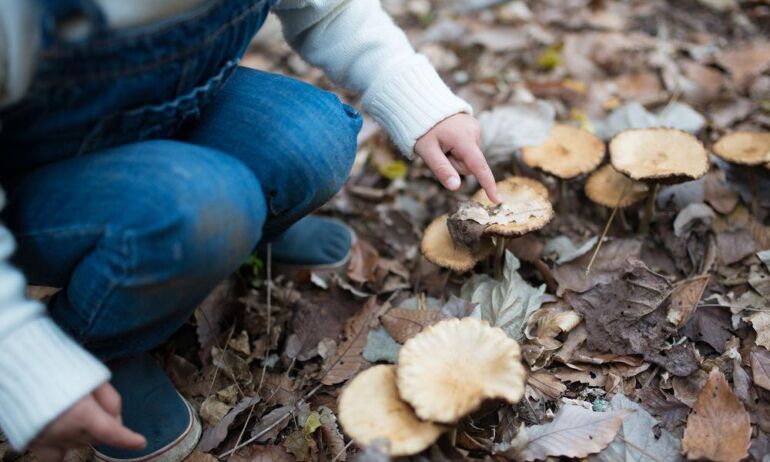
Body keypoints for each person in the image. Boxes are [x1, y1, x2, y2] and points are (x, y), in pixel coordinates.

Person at [0, 1, 500, 460]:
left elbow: (330, 9)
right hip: (35, 182)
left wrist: (421, 98)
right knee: (207, 204)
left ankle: (234, 229)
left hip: (169, 115)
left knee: (314, 138)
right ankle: (100, 339)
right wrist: (19, 354)